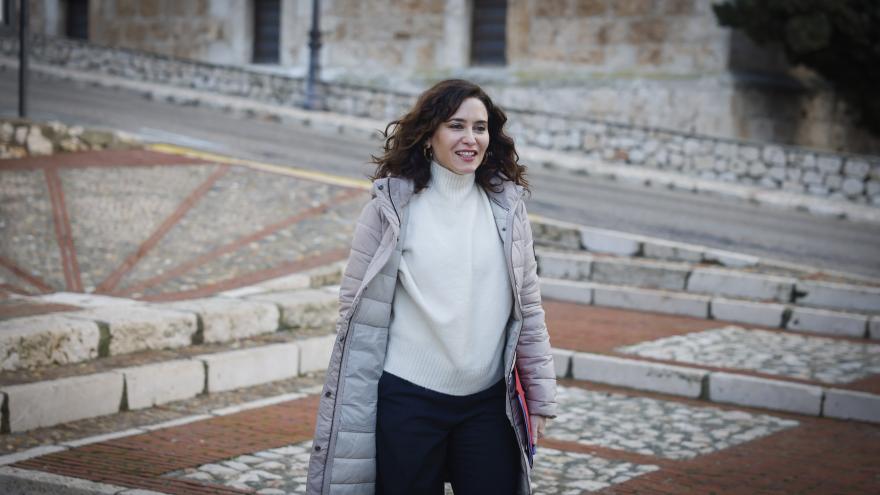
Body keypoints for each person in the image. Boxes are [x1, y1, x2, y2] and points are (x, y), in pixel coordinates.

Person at [306, 79, 557, 495]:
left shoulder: (507, 209)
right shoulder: (390, 210)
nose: (470, 139)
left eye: (479, 128)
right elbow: (354, 310)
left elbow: (528, 307)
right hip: (408, 403)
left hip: (487, 406)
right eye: (456, 126)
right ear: (429, 136)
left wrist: (541, 396)